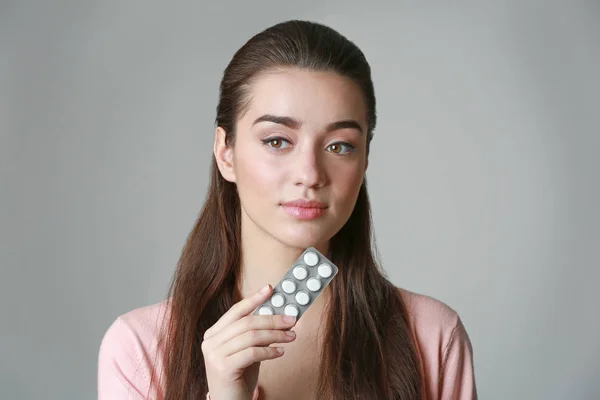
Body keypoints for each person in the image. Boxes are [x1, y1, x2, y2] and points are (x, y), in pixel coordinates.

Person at [97, 20, 477, 400]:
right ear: (225, 151)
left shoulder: (432, 336)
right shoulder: (140, 350)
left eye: (340, 146)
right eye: (277, 141)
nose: (309, 174)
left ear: (365, 161)